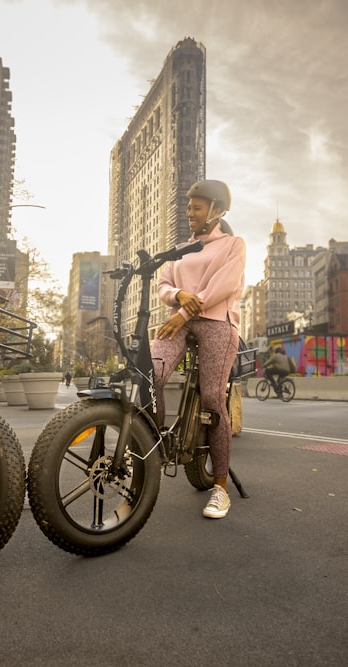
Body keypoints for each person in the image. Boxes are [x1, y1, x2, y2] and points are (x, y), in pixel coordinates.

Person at [152, 179, 246, 520]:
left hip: (217, 321)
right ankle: (154, 449)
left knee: (211, 399)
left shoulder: (233, 245)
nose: (189, 212)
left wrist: (185, 311)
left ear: (217, 210)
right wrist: (177, 296)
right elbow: (163, 283)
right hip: (180, 317)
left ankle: (220, 488)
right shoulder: (180, 249)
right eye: (189, 206)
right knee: (150, 376)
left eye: (197, 207)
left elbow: (224, 286)